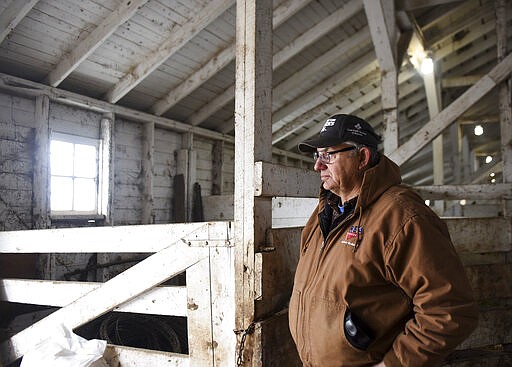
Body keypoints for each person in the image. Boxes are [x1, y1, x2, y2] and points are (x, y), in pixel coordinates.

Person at [288, 114, 478, 367]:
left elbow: (449, 308)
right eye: (317, 155)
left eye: (329, 156)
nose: (318, 166)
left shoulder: (403, 216)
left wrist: (394, 364)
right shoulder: (325, 212)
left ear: (362, 158)